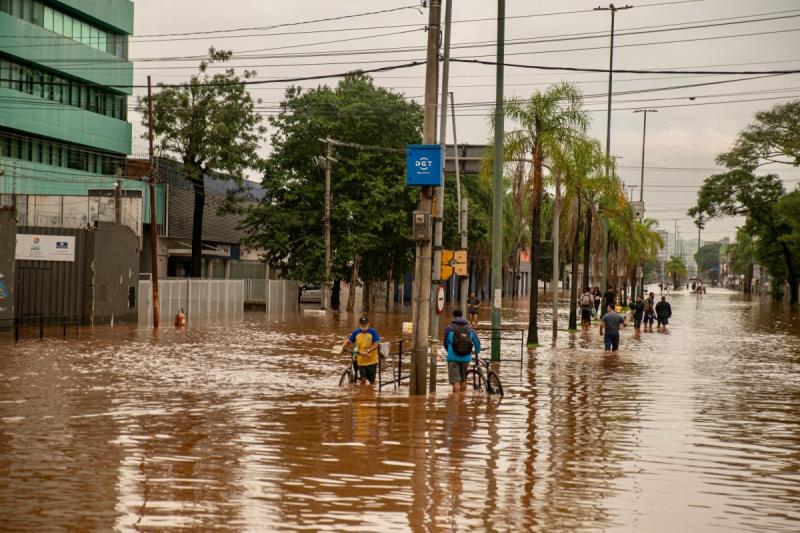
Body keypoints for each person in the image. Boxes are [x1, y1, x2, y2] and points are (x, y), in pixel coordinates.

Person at [443, 309, 481, 394]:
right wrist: (477, 352)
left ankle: (456, 403)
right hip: (466, 357)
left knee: (455, 381)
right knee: (463, 379)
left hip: (453, 357)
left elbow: (445, 342)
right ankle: (462, 402)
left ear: (453, 316)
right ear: (462, 315)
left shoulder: (449, 328)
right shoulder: (470, 328)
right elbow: (476, 343)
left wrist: (449, 351)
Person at [342, 317, 381, 385]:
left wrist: (368, 351)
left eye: (365, 323)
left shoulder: (373, 332)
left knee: (372, 381)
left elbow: (376, 344)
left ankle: (370, 393)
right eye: (362, 323)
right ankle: (361, 393)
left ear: (368, 324)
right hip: (361, 360)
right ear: (359, 324)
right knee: (363, 379)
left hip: (371, 360)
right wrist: (342, 347)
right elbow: (349, 341)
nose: (363, 325)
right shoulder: (356, 332)